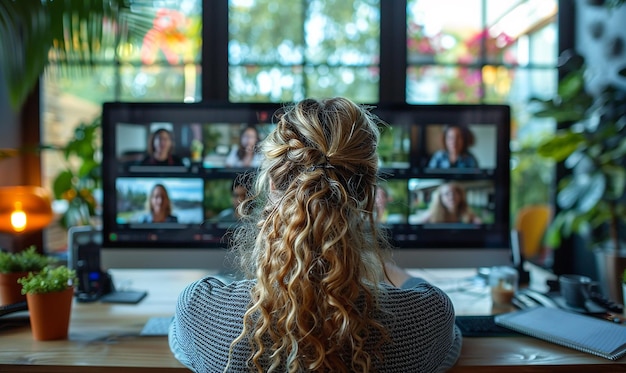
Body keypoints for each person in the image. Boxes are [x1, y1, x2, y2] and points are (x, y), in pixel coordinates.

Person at [169, 97, 461, 372]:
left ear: (272, 185)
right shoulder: (426, 318)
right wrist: (391, 271)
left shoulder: (202, 310)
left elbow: (182, 344)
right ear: (368, 195)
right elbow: (446, 340)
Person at [414, 182, 482, 224]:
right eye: (446, 194)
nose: (451, 197)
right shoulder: (432, 214)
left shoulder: (468, 214)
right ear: (440, 198)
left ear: (460, 196)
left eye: (455, 193)